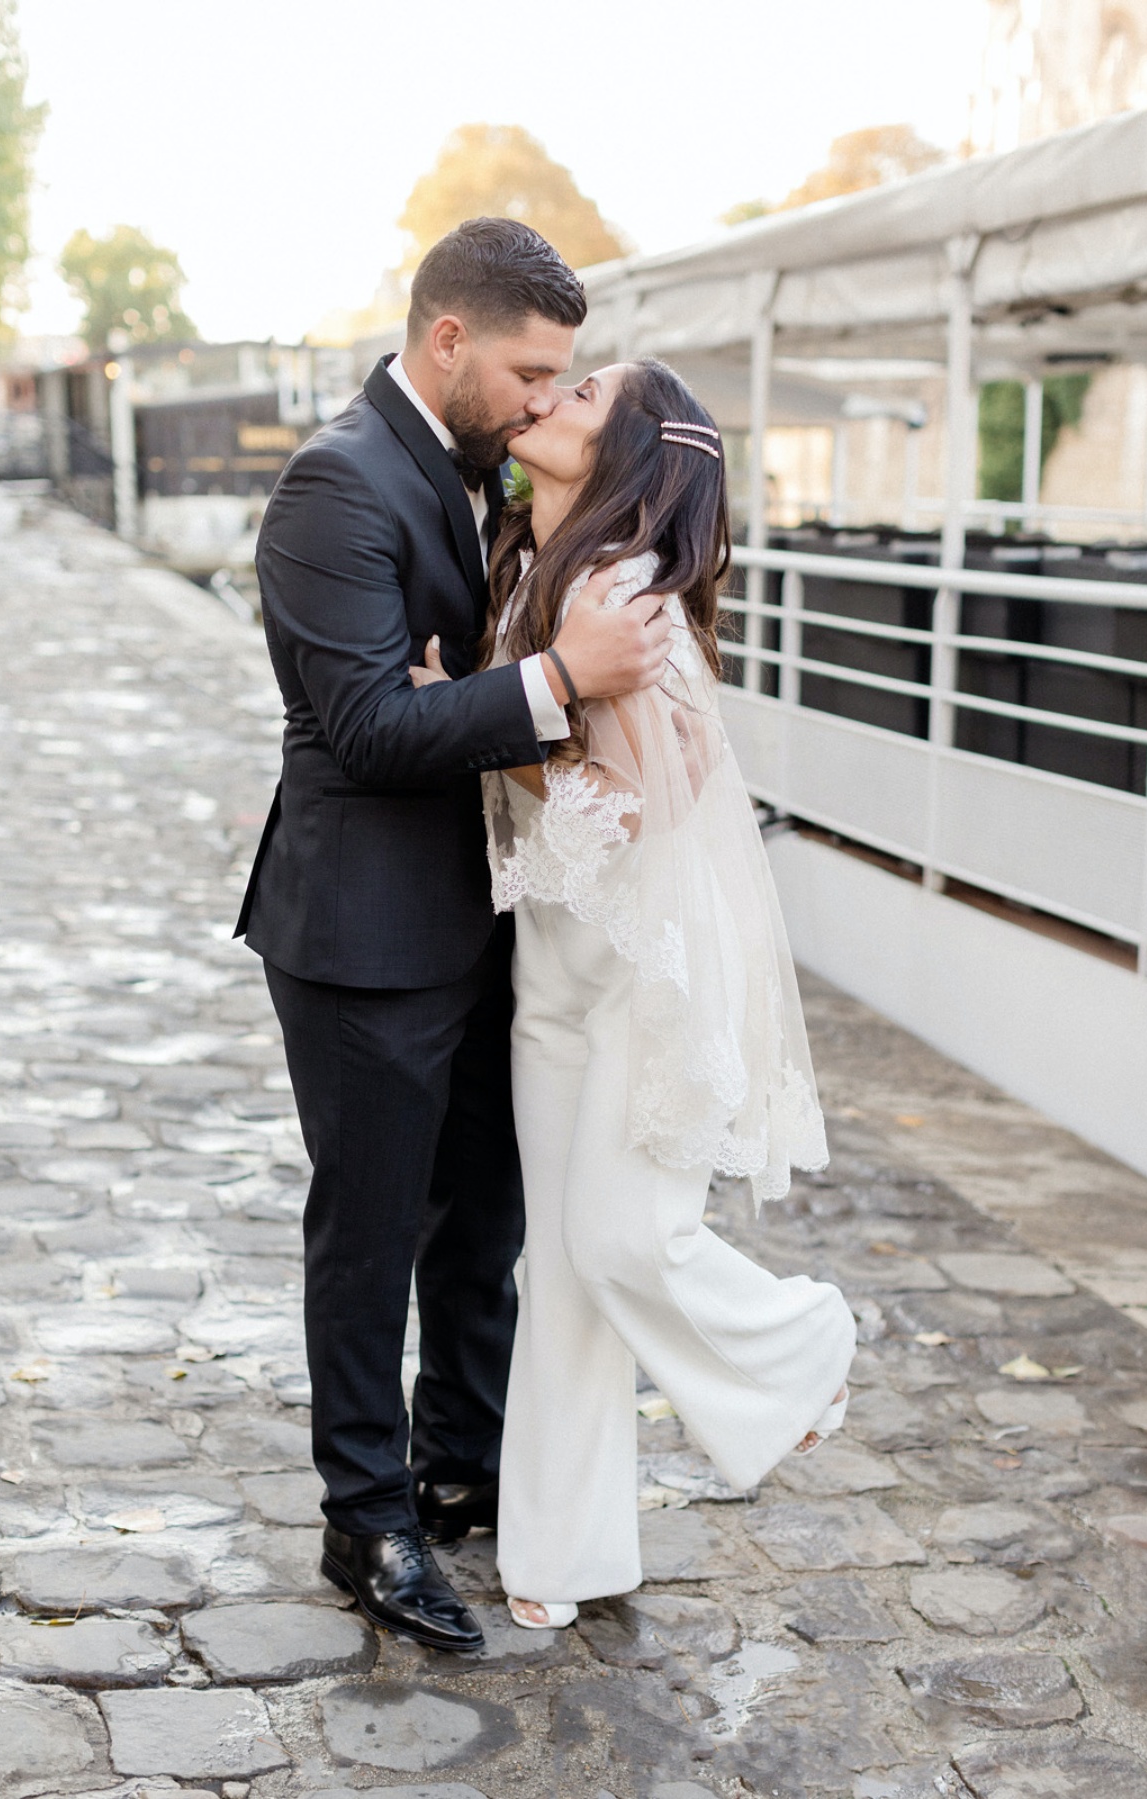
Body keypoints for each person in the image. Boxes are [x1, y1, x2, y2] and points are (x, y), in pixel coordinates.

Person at [235, 220, 674, 1653]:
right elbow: (366, 725)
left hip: (490, 918)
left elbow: (453, 692)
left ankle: (457, 1462)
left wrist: (498, 683)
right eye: (531, 371)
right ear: (448, 344)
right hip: (361, 930)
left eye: (563, 376)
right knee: (368, 1232)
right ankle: (363, 1519)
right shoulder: (332, 485)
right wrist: (555, 676)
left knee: (479, 1217)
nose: (548, 399)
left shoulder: (480, 471)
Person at [412, 357, 856, 1629]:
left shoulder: (622, 593)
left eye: (584, 393)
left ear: (628, 461)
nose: (549, 396)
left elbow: (637, 805)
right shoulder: (531, 569)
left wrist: (487, 721)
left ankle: (800, 1345)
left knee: (624, 1237)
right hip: (556, 964)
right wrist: (499, 706)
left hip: (646, 963)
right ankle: (564, 1549)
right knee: (559, 1265)